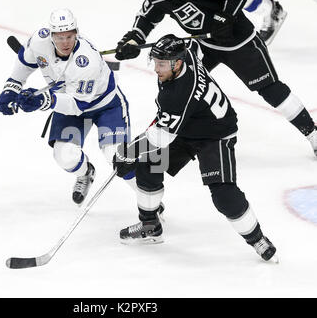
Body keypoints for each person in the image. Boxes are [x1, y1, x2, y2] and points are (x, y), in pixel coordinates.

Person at [112, 34, 278, 262]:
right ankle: (150, 225)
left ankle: (257, 239)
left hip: (216, 134)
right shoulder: (187, 53)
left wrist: (128, 152)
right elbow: (191, 43)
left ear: (177, 63)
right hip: (188, 123)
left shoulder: (179, 94)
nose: (157, 69)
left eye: (162, 64)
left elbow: (161, 137)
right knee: (149, 165)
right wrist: (137, 46)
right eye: (155, 62)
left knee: (223, 194)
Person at [114, 0, 317, 157]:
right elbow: (147, 16)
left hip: (239, 41)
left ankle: (313, 134)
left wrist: (226, 15)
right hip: (204, 45)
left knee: (271, 90)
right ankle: (176, 136)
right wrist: (134, 39)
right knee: (183, 84)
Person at [0, 8, 135, 205]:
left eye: (69, 36)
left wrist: (43, 101)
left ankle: (149, 200)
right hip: (66, 104)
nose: (65, 42)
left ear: (76, 33)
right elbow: (25, 62)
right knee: (65, 156)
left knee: (117, 156)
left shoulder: (86, 62)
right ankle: (86, 172)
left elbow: (77, 105)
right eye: (60, 37)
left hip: (105, 105)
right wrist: (11, 87)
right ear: (51, 35)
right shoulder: (39, 40)